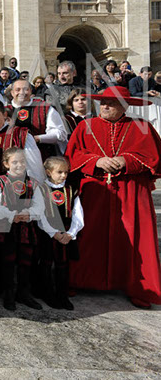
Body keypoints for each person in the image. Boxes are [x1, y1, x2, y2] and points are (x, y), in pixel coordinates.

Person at [65, 86, 161, 308]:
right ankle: (78, 279)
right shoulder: (85, 126)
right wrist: (96, 161)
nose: (105, 106)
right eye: (104, 102)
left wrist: (127, 161)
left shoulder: (142, 127)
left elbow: (154, 158)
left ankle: (139, 286)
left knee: (134, 238)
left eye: (112, 103)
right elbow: (72, 156)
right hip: (96, 188)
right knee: (88, 233)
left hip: (131, 189)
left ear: (124, 106)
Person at [0, 147, 47, 311]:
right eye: (14, 162)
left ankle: (23, 293)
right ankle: (8, 293)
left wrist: (28, 214)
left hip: (26, 228)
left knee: (25, 262)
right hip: (5, 227)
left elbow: (39, 206)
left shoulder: (33, 183)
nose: (19, 165)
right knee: (6, 261)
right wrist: (11, 215)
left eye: (22, 162)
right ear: (6, 164)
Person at [35, 156, 84, 310]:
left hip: (66, 234)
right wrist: (53, 233)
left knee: (63, 265)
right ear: (49, 172)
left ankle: (62, 295)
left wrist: (71, 233)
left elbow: (77, 214)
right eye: (60, 172)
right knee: (46, 263)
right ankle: (47, 293)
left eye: (66, 172)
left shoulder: (71, 190)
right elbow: (40, 215)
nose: (64, 175)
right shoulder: (41, 190)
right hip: (47, 234)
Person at [0, 99, 45, 184]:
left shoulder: (20, 134)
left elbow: (34, 164)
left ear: (5, 115)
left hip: (18, 185)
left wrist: (36, 186)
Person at [8, 79, 68, 160]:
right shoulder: (5, 111)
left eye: (26, 89)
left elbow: (60, 133)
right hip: (13, 159)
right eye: (18, 90)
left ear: (31, 91)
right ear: (12, 93)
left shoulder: (44, 108)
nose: (22, 92)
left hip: (42, 156)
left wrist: (38, 138)